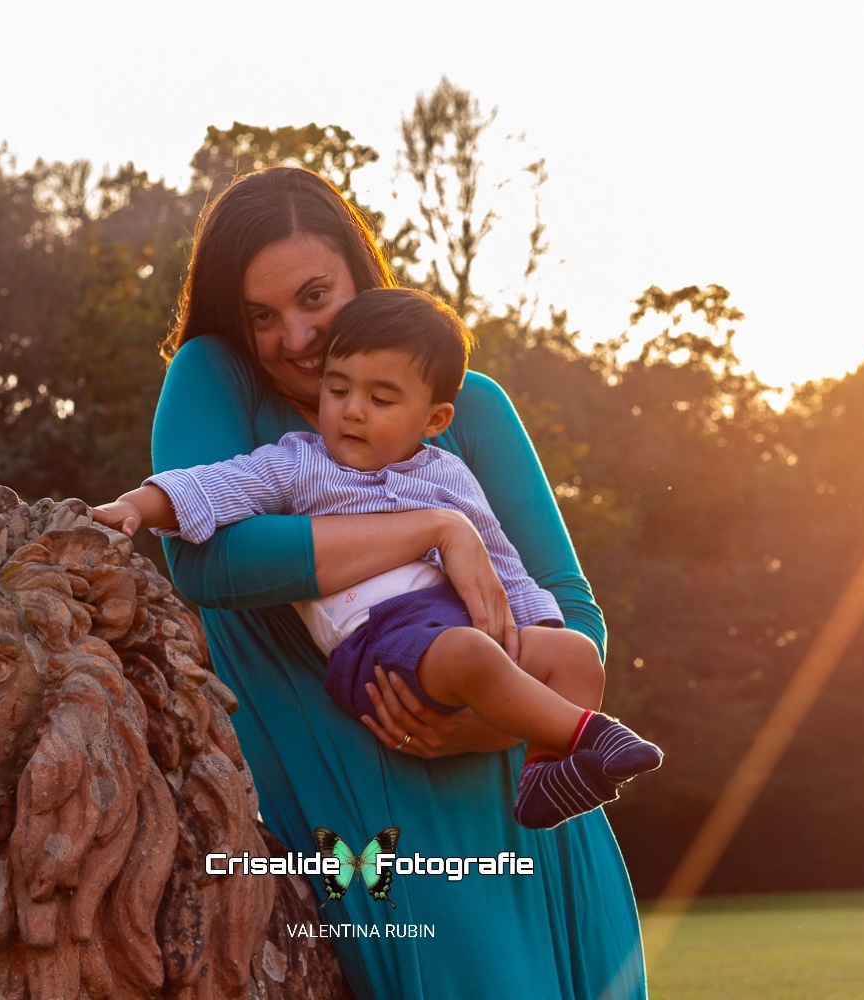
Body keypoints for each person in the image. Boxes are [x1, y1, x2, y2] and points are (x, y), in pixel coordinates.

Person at [139, 165, 648, 999]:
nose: (296, 337)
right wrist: (432, 528)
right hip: (376, 832)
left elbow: (570, 606)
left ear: (362, 275)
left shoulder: (471, 407)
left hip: (538, 807)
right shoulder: (217, 378)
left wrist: (494, 722)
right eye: (262, 316)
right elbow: (207, 561)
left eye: (315, 297)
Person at [95, 287, 662, 830]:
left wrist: (531, 641)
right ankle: (594, 735)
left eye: (380, 399)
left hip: (461, 631)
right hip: (376, 643)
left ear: (434, 420)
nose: (352, 412)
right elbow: (214, 487)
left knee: (576, 654)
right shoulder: (300, 464)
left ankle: (544, 771)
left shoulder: (448, 475)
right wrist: (134, 507)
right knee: (468, 651)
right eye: (337, 390)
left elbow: (501, 566)